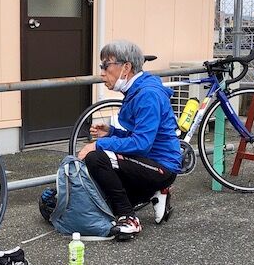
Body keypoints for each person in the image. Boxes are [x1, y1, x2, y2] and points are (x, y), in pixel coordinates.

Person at [76, 40, 181, 240]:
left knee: (97, 158)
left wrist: (98, 144)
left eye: (106, 65)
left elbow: (142, 144)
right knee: (105, 203)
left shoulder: (147, 94)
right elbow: (141, 138)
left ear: (126, 67)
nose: (102, 72)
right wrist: (112, 132)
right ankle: (157, 191)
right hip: (147, 163)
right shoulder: (136, 90)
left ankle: (130, 219)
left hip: (161, 166)